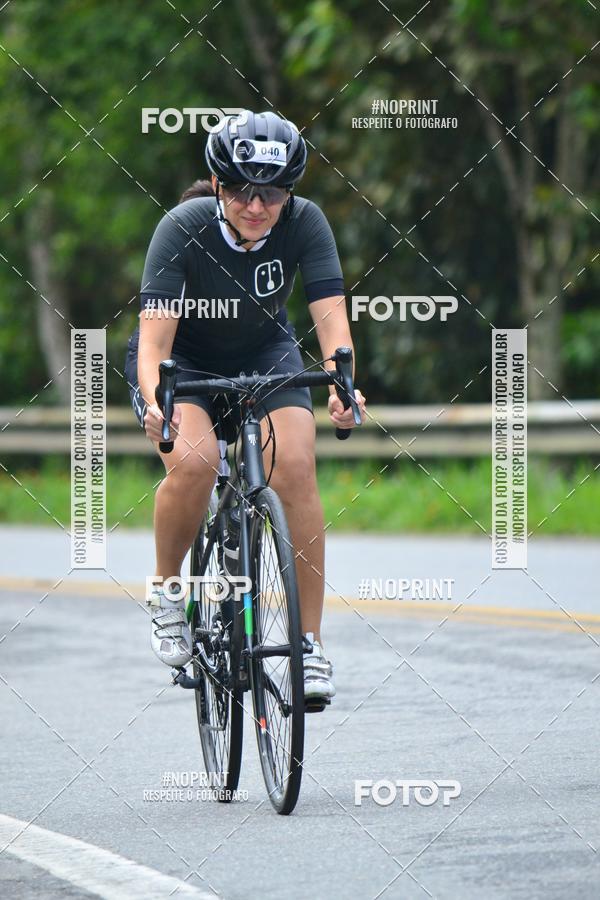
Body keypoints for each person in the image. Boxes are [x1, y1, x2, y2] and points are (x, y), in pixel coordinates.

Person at [124, 109, 366, 707]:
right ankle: (168, 595)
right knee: (196, 461)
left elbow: (332, 323)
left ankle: (308, 646)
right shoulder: (181, 228)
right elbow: (153, 345)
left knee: (296, 468)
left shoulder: (306, 223)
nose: (256, 206)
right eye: (239, 190)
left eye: (272, 192)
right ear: (216, 184)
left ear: (290, 191)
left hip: (263, 352)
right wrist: (158, 402)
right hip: (184, 360)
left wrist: (343, 385)